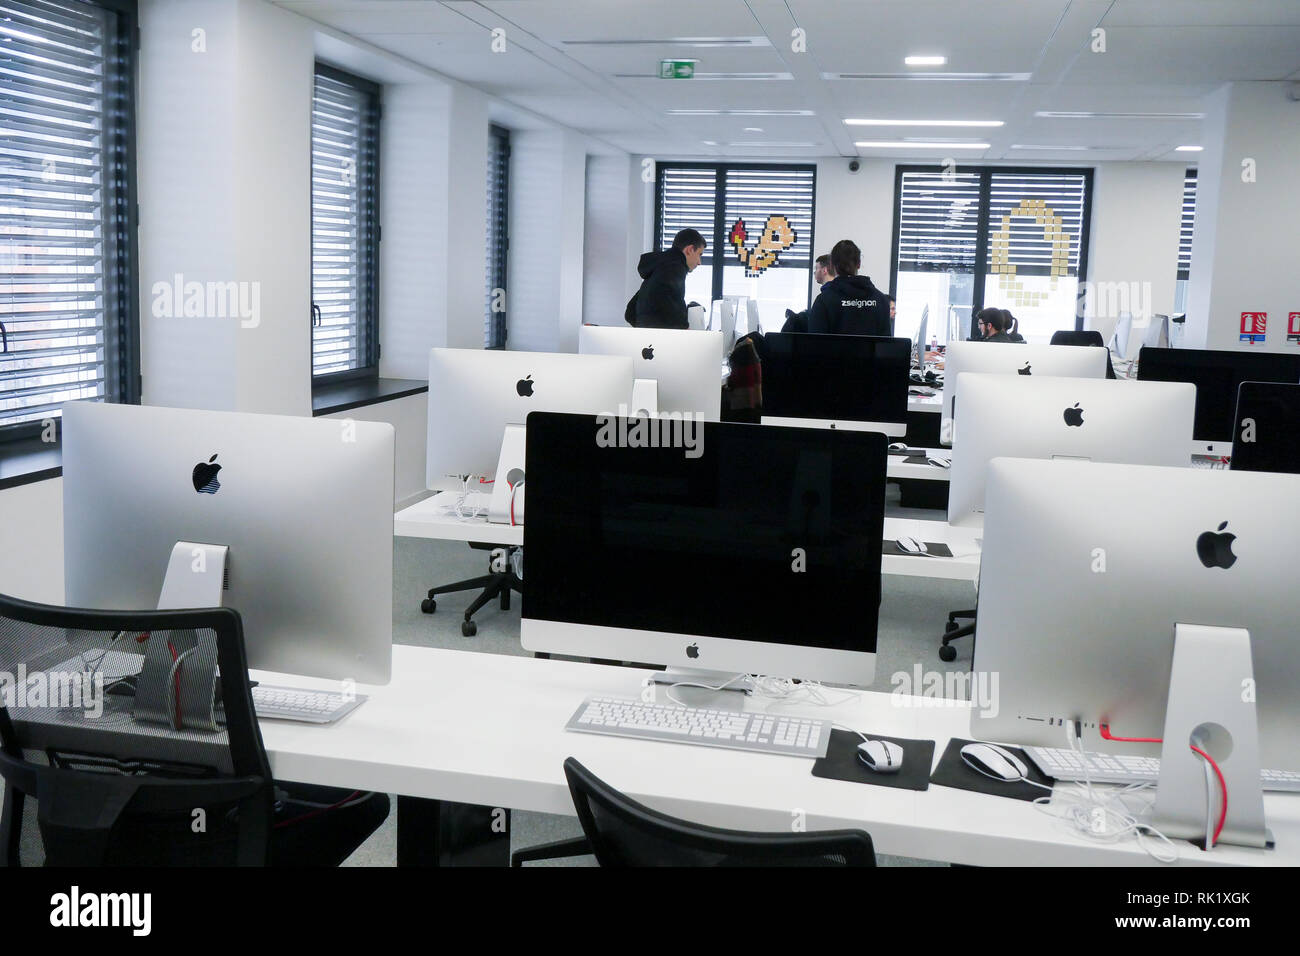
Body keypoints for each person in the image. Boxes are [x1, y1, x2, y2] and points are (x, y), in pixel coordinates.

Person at [806, 240, 892, 336]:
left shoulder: (823, 301)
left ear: (832, 265)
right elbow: (885, 346)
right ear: (858, 264)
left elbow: (814, 344)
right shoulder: (881, 300)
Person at [625, 228, 707, 329]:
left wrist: (645, 329)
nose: (699, 262)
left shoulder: (660, 267)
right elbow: (676, 317)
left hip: (648, 341)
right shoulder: (675, 268)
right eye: (699, 254)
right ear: (689, 250)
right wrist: (686, 329)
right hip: (662, 341)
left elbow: (630, 313)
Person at [781, 254, 834, 333]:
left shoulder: (825, 297)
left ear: (824, 270)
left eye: (816, 268)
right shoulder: (832, 293)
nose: (814, 272)